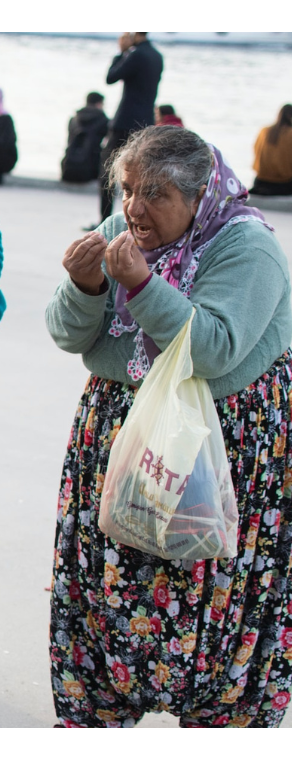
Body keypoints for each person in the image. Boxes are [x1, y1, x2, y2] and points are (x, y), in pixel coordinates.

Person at [46, 126, 292, 727]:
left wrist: (139, 285)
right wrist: (85, 287)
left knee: (213, 591)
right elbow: (68, 334)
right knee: (109, 581)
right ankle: (99, 712)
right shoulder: (122, 232)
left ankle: (216, 722)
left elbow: (212, 351)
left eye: (154, 193)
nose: (132, 208)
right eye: (127, 189)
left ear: (200, 194)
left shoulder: (247, 248)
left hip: (220, 443)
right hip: (123, 434)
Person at [95, 32, 163, 228]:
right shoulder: (156, 56)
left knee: (108, 171)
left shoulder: (135, 55)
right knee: (141, 174)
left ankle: (105, 221)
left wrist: (121, 52)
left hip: (125, 122)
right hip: (145, 122)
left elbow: (111, 77)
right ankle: (139, 219)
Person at [61, 91, 109, 183]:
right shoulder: (103, 120)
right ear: (99, 104)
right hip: (90, 171)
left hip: (67, 168)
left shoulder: (73, 119)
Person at [251, 104, 292, 196]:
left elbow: (255, 151)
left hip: (259, 182)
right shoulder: (290, 134)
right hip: (284, 184)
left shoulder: (264, 131)